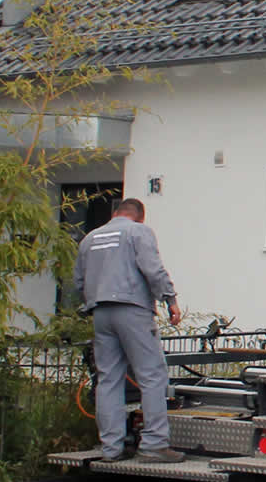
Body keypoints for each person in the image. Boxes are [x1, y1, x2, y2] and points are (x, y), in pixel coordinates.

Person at [73, 198, 185, 463]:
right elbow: (152, 269)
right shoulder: (138, 232)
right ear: (140, 217)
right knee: (152, 375)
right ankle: (154, 445)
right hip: (132, 310)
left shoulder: (90, 238)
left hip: (100, 312)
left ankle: (111, 449)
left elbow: (79, 280)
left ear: (114, 214)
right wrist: (170, 300)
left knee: (109, 379)